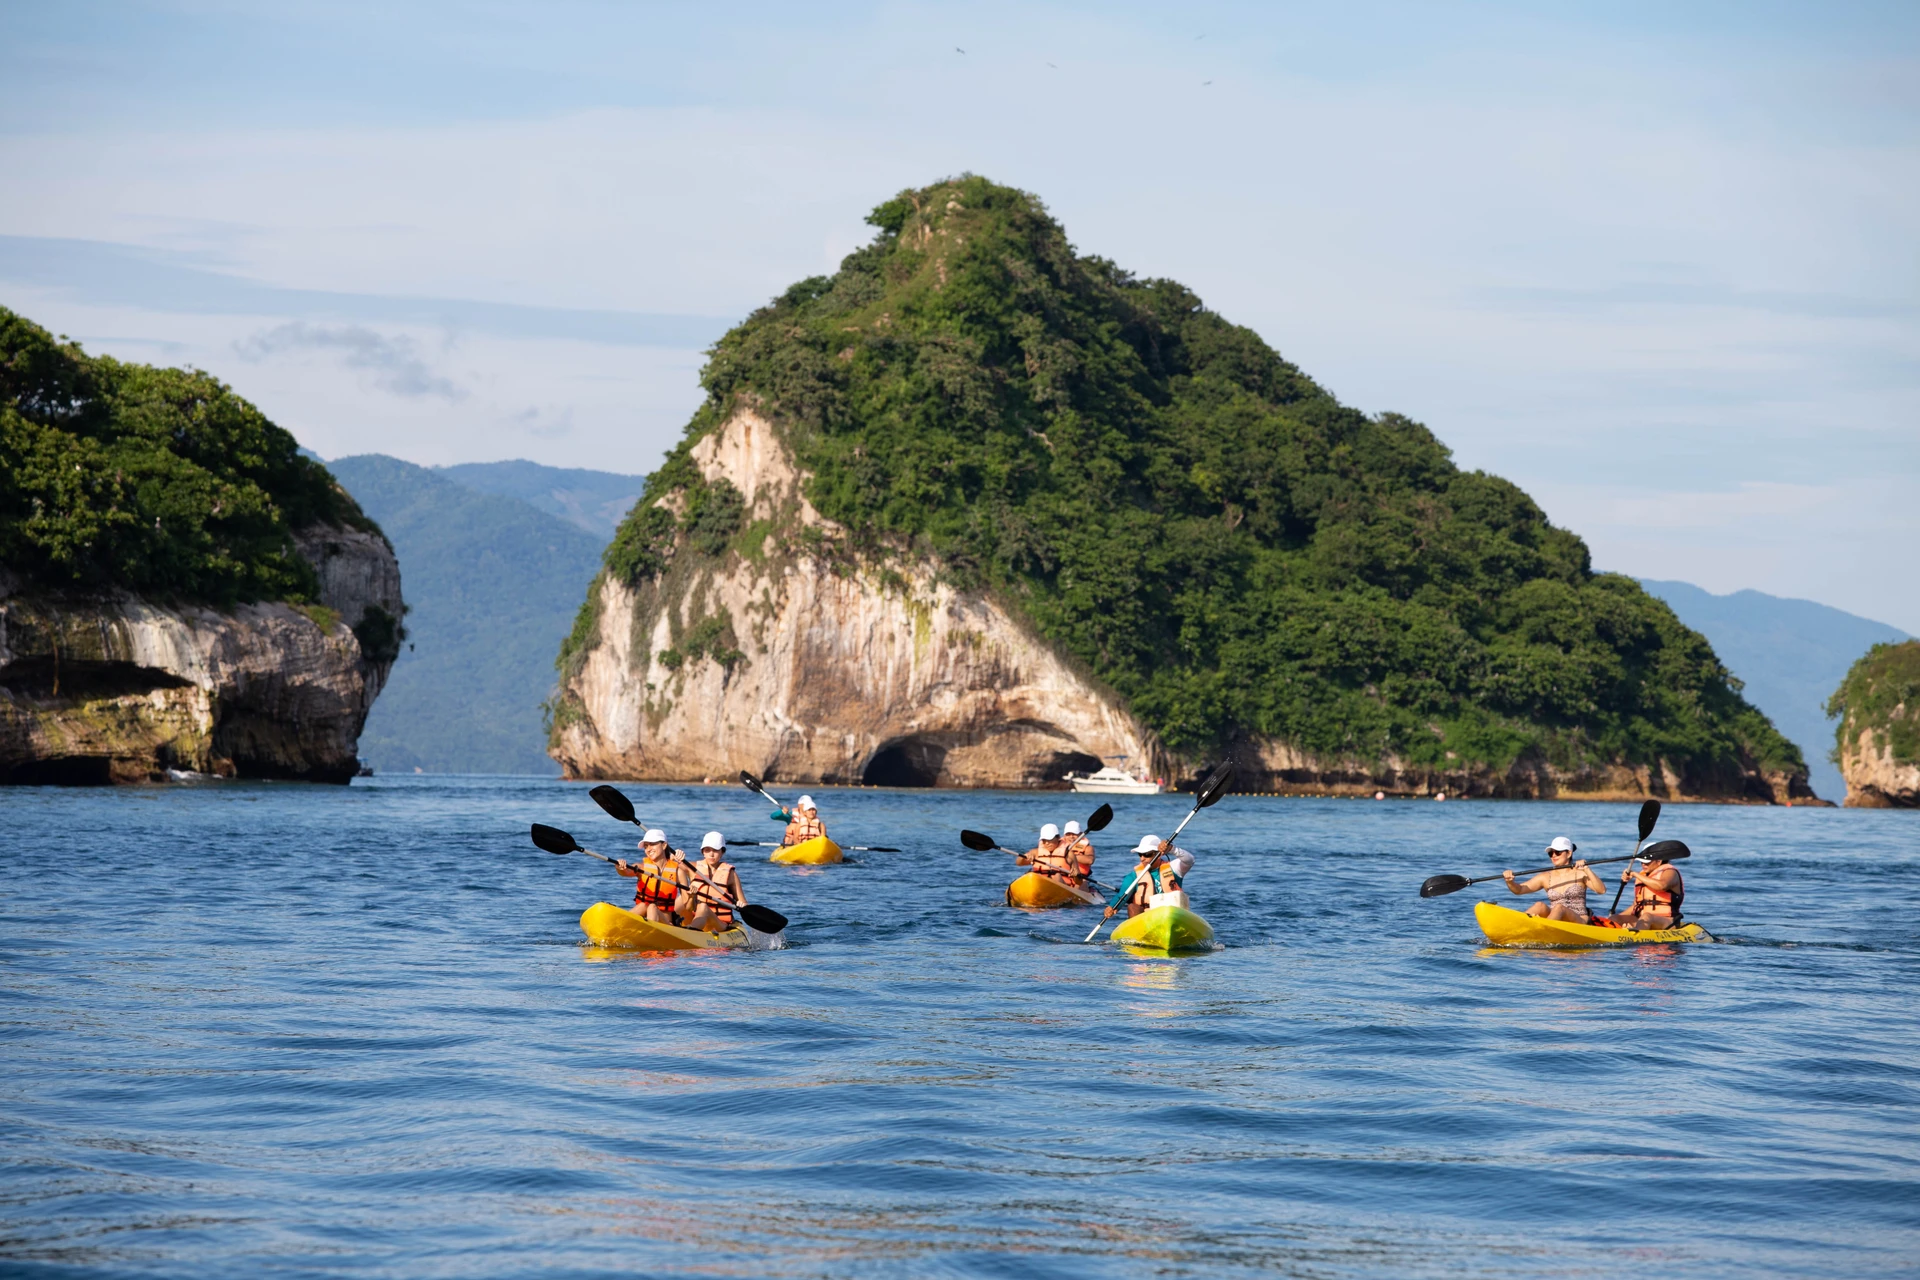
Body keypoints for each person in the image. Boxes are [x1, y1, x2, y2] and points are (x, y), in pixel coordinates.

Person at [1501, 836, 1604, 922]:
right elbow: (1519, 890)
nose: (1554, 856)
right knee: (1539, 905)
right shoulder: (1545, 877)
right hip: (1555, 919)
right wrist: (1510, 882)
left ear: (1569, 853)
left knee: (1559, 907)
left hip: (1579, 919)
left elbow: (1601, 890)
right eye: (1551, 853)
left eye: (1558, 852)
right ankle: (1517, 925)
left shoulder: (1581, 874)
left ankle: (1543, 928)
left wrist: (1587, 869)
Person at [1105, 835, 1195, 921]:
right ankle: (1139, 933)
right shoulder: (1133, 876)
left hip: (1173, 914)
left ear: (1159, 854)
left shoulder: (1174, 868)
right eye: (1140, 854)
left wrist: (1172, 849)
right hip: (1148, 918)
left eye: (1147, 854)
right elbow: (1122, 895)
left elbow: (1190, 860)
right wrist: (1112, 907)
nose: (1142, 858)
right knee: (1132, 907)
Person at [615, 829, 688, 925]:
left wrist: (691, 895)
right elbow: (625, 872)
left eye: (652, 844)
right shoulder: (642, 867)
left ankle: (642, 930)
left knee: (652, 907)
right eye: (646, 846)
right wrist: (619, 867)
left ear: (664, 845)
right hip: (643, 917)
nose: (648, 849)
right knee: (643, 906)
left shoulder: (678, 872)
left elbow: (689, 905)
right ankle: (617, 925)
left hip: (666, 923)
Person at [683, 831, 749, 933]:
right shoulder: (693, 869)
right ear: (703, 852)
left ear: (722, 852)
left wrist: (742, 905)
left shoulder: (731, 875)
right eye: (707, 850)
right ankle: (690, 929)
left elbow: (744, 904)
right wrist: (691, 896)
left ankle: (690, 932)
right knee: (697, 905)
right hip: (697, 918)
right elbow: (688, 908)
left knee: (704, 907)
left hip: (720, 924)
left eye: (715, 850)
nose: (711, 854)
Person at [1613, 847, 1685, 930]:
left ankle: (1636, 936)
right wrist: (1618, 917)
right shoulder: (1643, 875)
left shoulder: (1670, 872)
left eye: (1647, 862)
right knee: (1615, 918)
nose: (1643, 864)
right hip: (1642, 919)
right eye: (1642, 862)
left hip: (1667, 920)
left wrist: (1634, 874)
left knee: (1647, 917)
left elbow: (1662, 886)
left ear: (1659, 861)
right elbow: (1636, 905)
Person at [1055, 819, 1096, 884]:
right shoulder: (1056, 845)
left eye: (1074, 834)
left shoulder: (1088, 848)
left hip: (1080, 878)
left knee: (1083, 883)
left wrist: (1070, 856)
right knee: (1057, 876)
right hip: (1062, 877)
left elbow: (1090, 860)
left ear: (1080, 835)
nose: (1071, 837)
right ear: (1064, 835)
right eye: (1068, 834)